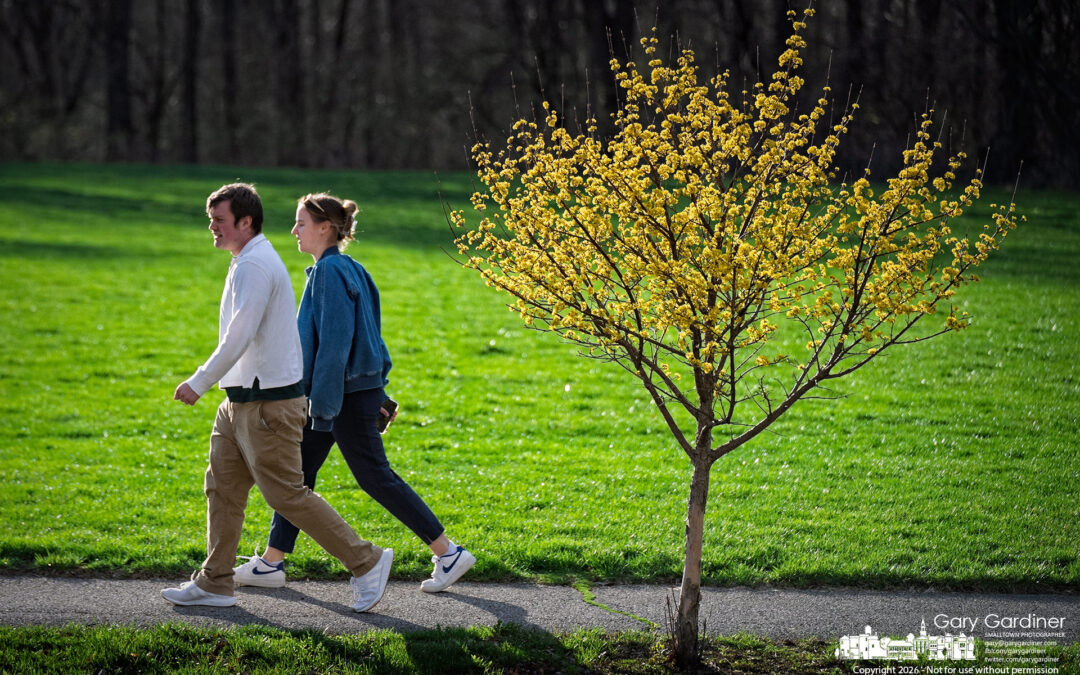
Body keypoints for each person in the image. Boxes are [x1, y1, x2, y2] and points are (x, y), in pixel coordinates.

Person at [162, 183, 393, 611]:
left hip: (268, 404)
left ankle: (367, 561)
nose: (212, 227)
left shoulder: (255, 265)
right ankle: (215, 581)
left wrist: (199, 381)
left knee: (287, 494)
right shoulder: (244, 260)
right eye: (211, 219)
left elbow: (239, 334)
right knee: (223, 490)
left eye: (220, 220)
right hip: (239, 402)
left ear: (245, 222)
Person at [232, 192, 475, 593]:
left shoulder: (330, 273)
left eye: (301, 224)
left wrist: (322, 408)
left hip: (336, 397)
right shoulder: (352, 269)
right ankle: (272, 563)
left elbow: (334, 346)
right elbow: (371, 338)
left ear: (325, 227)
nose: (294, 231)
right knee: (298, 478)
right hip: (344, 394)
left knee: (374, 477)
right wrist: (375, 390)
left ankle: (448, 553)